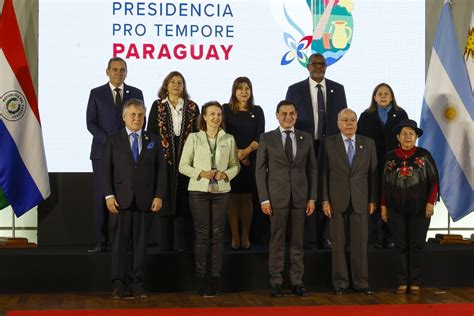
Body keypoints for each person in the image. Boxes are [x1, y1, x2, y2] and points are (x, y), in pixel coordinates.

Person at [101, 99, 167, 299]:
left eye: (140, 115)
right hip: (120, 201)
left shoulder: (153, 140)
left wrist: (158, 195)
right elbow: (105, 171)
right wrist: (109, 196)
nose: (137, 118)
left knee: (140, 246)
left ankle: (137, 283)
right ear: (124, 117)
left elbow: (161, 171)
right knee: (119, 245)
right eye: (133, 114)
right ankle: (119, 284)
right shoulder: (113, 139)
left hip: (145, 201)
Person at [255, 100, 317, 298]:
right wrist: (264, 199)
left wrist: (312, 198)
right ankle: (276, 282)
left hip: (300, 198)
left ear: (296, 115)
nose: (288, 117)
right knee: (277, 241)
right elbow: (259, 171)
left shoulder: (305, 137)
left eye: (292, 113)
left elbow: (312, 170)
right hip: (276, 198)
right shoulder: (267, 138)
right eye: (284, 113)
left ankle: (297, 282)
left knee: (298, 242)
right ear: (277, 115)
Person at [286, 53, 347, 249]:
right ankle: (308, 237)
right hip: (305, 145)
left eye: (322, 64)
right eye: (314, 64)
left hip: (330, 146)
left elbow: (343, 119)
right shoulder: (294, 90)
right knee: (307, 189)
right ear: (307, 66)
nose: (318, 67)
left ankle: (326, 235)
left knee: (328, 189)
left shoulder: (338, 89)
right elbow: (289, 119)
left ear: (326, 66)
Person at [179, 101, 240, 296]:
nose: (216, 118)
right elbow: (183, 166)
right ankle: (200, 278)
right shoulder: (194, 138)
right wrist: (201, 173)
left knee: (218, 234)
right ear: (204, 117)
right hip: (199, 191)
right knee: (203, 234)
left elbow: (235, 165)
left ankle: (215, 278)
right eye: (212, 114)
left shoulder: (228, 138)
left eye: (219, 114)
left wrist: (226, 174)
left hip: (221, 192)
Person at [86, 57, 144, 253]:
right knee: (102, 196)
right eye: (115, 69)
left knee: (127, 196)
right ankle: (102, 242)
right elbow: (91, 123)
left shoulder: (136, 93)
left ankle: (126, 242)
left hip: (130, 154)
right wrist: (111, 142)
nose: (119, 73)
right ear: (107, 71)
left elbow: (138, 122)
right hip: (102, 152)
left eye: (122, 70)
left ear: (126, 72)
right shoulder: (96, 93)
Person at [321, 108, 377, 296]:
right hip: (336, 201)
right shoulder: (329, 143)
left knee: (360, 244)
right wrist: (325, 200)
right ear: (338, 123)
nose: (350, 123)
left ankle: (361, 283)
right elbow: (323, 174)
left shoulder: (368, 144)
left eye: (353, 119)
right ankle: (341, 283)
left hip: (361, 201)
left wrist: (372, 200)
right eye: (345, 120)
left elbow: (373, 175)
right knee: (338, 243)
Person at [381, 119, 439, 295]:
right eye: (404, 133)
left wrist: (430, 202)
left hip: (421, 208)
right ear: (398, 137)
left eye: (411, 134)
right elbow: (383, 184)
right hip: (395, 208)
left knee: (416, 244)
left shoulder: (424, 155)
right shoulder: (390, 157)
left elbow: (434, 181)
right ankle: (402, 281)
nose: (408, 137)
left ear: (416, 137)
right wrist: (383, 206)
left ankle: (415, 281)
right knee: (400, 245)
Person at [146, 71, 200, 251]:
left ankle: (182, 244)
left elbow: (198, 133)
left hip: (187, 157)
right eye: (172, 82)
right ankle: (164, 244)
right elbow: (152, 132)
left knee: (184, 198)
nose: (176, 85)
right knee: (164, 194)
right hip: (164, 156)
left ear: (184, 86)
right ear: (166, 86)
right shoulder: (158, 106)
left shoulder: (192, 107)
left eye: (180, 82)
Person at [357, 83, 409, 249]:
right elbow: (359, 141)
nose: (383, 96)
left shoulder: (401, 115)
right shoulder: (366, 116)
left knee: (392, 200)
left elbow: (407, 138)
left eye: (387, 93)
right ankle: (375, 237)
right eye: (380, 94)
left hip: (396, 165)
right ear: (374, 97)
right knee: (373, 199)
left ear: (392, 96)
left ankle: (391, 237)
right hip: (372, 164)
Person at [223, 77, 265, 249]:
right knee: (233, 199)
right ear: (234, 91)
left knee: (247, 198)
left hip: (251, 159)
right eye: (240, 88)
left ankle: (245, 236)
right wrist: (236, 155)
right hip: (230, 160)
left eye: (247, 88)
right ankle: (235, 237)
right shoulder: (226, 109)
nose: (244, 92)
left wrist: (246, 152)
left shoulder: (257, 110)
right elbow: (223, 134)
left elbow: (259, 136)